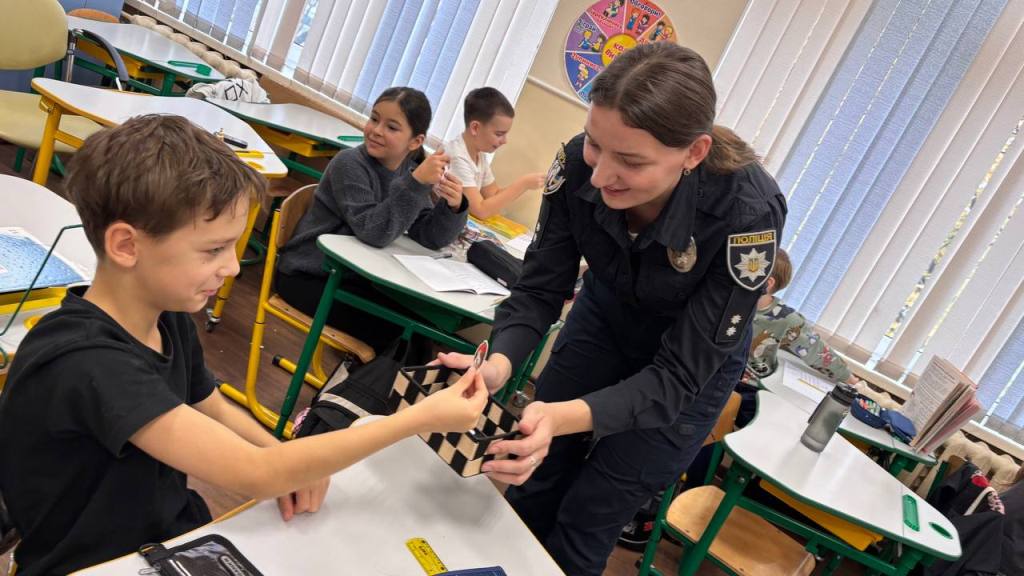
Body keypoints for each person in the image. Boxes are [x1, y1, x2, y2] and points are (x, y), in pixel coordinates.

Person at [0, 115, 487, 576]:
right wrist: (418, 419)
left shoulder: (164, 315)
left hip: (161, 538)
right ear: (126, 245)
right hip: (93, 565)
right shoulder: (87, 361)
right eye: (213, 249)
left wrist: (282, 455)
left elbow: (210, 405)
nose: (233, 267)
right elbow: (255, 473)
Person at [436, 42, 787, 575]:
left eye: (631, 161)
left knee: (591, 513)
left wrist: (559, 417)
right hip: (604, 322)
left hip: (688, 368)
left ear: (694, 153)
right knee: (532, 481)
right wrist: (498, 364)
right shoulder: (576, 164)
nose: (600, 177)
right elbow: (539, 291)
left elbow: (678, 376)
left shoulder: (747, 212)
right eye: (596, 145)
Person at [276, 87, 468, 352]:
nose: (376, 130)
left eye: (391, 127)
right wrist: (414, 184)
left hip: (353, 279)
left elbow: (429, 237)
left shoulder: (409, 172)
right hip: (309, 276)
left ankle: (358, 378)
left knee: (423, 331)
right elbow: (373, 232)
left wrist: (454, 207)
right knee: (402, 337)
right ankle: (355, 379)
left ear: (415, 141)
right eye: (374, 119)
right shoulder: (350, 163)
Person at [443, 87, 544, 221]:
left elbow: (493, 195)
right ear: (475, 128)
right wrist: (524, 183)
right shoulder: (457, 157)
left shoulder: (479, 156)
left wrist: (526, 185)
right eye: (499, 134)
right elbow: (480, 210)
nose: (504, 141)